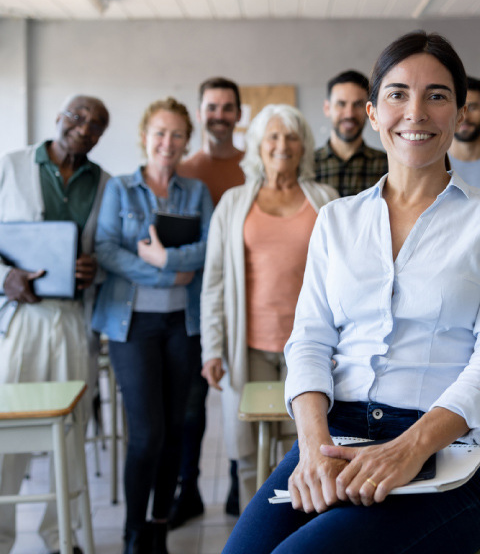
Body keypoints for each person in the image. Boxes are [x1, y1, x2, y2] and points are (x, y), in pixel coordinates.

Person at [222, 31, 480, 554]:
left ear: (460, 115)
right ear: (372, 113)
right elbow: (310, 341)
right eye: (397, 94)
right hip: (334, 436)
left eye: (437, 96)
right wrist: (313, 447)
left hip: (444, 451)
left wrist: (409, 447)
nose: (416, 112)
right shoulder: (336, 220)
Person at [200, 104, 338, 513]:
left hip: (312, 349)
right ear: (258, 146)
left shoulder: (325, 201)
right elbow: (214, 282)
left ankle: (299, 530)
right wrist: (211, 348)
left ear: (304, 147)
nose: (282, 145)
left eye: (292, 136)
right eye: (273, 137)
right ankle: (254, 527)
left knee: (309, 447)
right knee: (247, 450)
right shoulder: (232, 203)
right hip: (250, 347)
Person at [92, 97, 213, 554]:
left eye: (177, 134)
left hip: (183, 324)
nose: (168, 142)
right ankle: (133, 533)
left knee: (176, 430)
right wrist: (165, 271)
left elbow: (207, 249)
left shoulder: (196, 192)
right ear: (145, 137)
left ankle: (159, 528)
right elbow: (105, 249)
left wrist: (167, 257)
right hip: (132, 325)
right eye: (159, 133)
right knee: (147, 434)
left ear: (187, 140)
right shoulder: (120, 189)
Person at [0, 94, 110, 554]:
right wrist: (4, 277)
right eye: (77, 116)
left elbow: (106, 249)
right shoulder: (12, 165)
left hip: (71, 318)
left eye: (96, 124)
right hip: (21, 316)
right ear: (58, 118)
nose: (84, 127)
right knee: (8, 431)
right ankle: (2, 536)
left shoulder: (102, 182)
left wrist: (94, 270)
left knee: (71, 430)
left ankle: (59, 535)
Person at [172, 77, 246, 524]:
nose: (219, 115)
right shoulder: (185, 171)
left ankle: (241, 483)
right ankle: (188, 490)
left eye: (227, 107)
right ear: (200, 113)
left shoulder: (252, 166)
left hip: (239, 305)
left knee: (239, 400)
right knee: (189, 406)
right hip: (191, 306)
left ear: (238, 114)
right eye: (211, 107)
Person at [315, 70, 388, 196]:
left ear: (369, 111)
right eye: (341, 104)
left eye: (358, 104)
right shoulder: (307, 165)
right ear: (327, 108)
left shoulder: (386, 165)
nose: (349, 114)